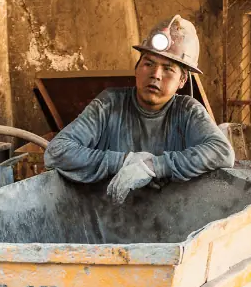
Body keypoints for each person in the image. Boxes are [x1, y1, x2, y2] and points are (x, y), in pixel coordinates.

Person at [44, 15, 234, 202]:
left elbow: (222, 152)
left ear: (182, 80)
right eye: (148, 63)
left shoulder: (187, 110)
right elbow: (57, 151)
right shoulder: (110, 104)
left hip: (169, 218)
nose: (155, 75)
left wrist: (153, 166)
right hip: (110, 215)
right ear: (136, 67)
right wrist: (124, 161)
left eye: (168, 68)